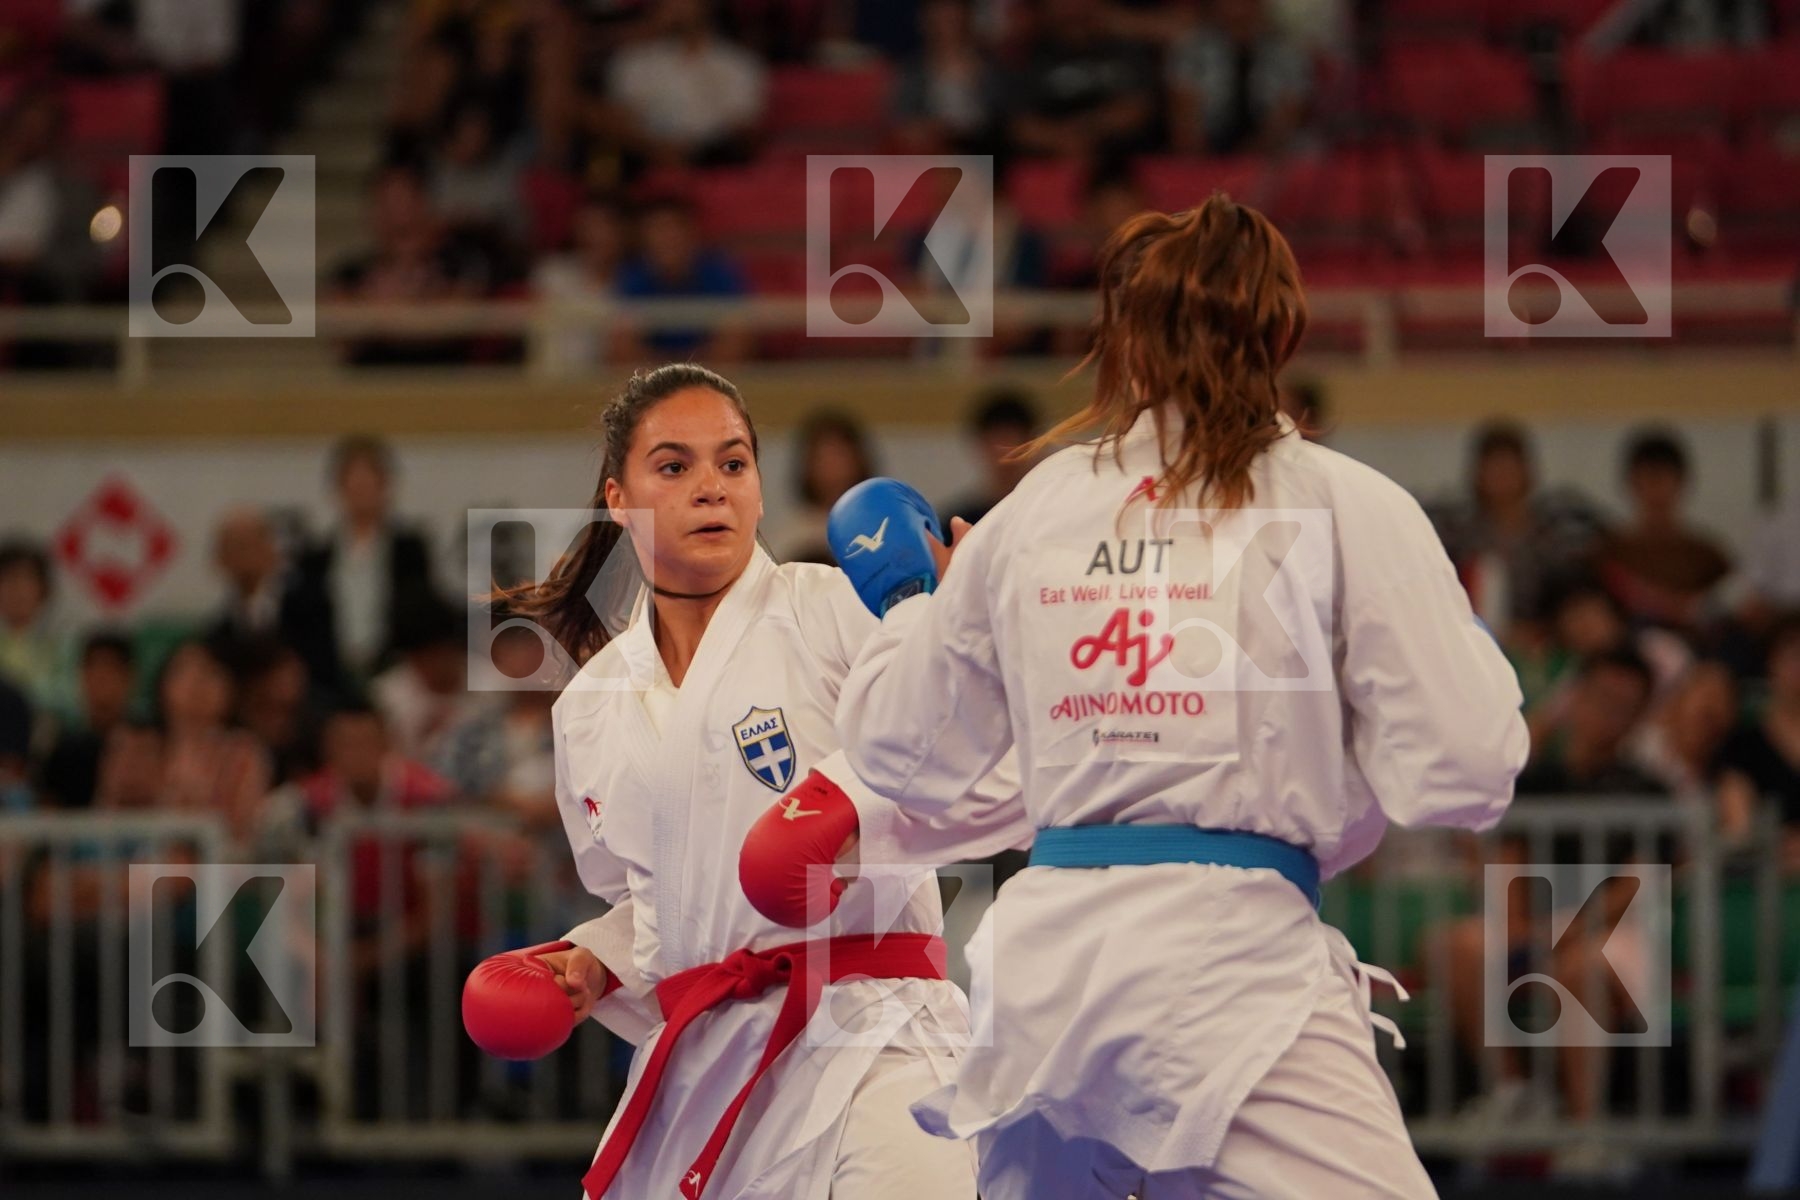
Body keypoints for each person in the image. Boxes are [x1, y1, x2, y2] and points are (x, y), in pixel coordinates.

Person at [798, 197, 1528, 1198]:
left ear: (1120, 346)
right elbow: (1467, 772)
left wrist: (907, 604)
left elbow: (896, 749)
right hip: (1233, 964)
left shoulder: (1038, 509)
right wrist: (1462, 664)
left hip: (1046, 972)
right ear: (1279, 333)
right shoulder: (1338, 499)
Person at [459, 364, 1030, 1199]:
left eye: (733, 465)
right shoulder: (590, 706)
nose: (711, 490)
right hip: (710, 1061)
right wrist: (595, 961)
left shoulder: (836, 612)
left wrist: (966, 640)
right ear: (618, 499)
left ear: (762, 492)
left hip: (875, 1036)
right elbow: (660, 905)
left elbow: (992, 769)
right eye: (674, 467)